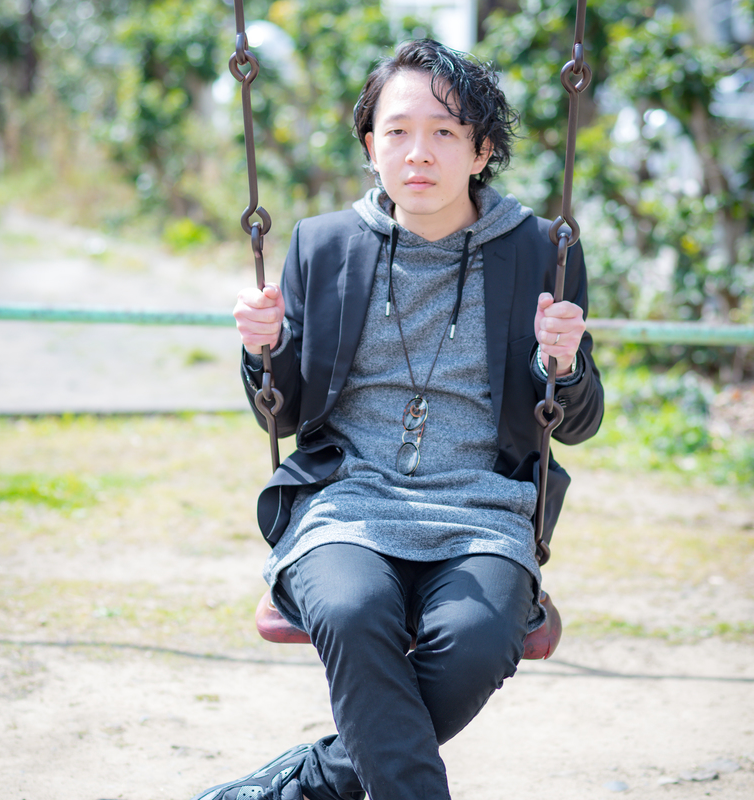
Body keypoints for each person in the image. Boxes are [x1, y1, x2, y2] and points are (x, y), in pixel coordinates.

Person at [192, 38, 603, 800]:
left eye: (445, 132)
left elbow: (574, 422)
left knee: (477, 642)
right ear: (369, 146)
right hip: (347, 502)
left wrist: (564, 363)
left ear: (482, 151)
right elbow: (285, 410)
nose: (419, 153)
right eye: (398, 131)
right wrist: (263, 351)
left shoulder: (540, 251)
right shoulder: (324, 245)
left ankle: (312, 779)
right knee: (351, 612)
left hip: (483, 509)